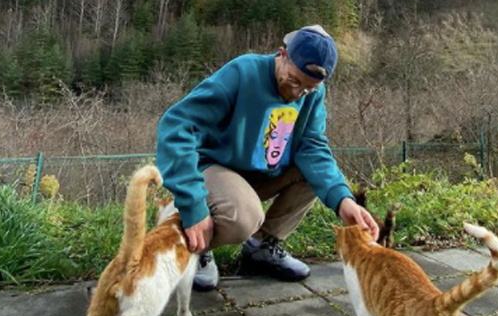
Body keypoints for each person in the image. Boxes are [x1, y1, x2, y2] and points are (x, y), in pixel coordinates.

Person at [156, 25, 379, 291]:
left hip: (261, 172)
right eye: (294, 81)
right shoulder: (243, 73)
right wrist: (193, 203)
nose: (297, 93)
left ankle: (261, 247)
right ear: (283, 54)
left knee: (316, 175)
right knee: (244, 216)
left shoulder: (313, 93)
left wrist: (344, 201)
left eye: (308, 89)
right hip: (215, 167)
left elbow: (313, 147)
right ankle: (189, 244)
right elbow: (177, 125)